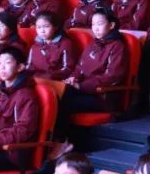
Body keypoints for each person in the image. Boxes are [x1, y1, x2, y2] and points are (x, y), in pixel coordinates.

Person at [55, 9, 129, 144]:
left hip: (102, 97)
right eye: (93, 24)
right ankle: (59, 141)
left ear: (111, 25)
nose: (95, 28)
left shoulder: (117, 46)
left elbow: (112, 76)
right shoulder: (94, 43)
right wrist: (73, 78)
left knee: (64, 103)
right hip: (84, 90)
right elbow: (80, 67)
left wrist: (81, 86)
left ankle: (63, 142)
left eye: (100, 24)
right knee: (58, 94)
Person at [27, 12, 79, 82]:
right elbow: (29, 67)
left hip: (55, 81)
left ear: (55, 27)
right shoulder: (34, 46)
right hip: (37, 80)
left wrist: (48, 76)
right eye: (38, 27)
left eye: (46, 26)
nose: (42, 31)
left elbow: (68, 69)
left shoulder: (66, 44)